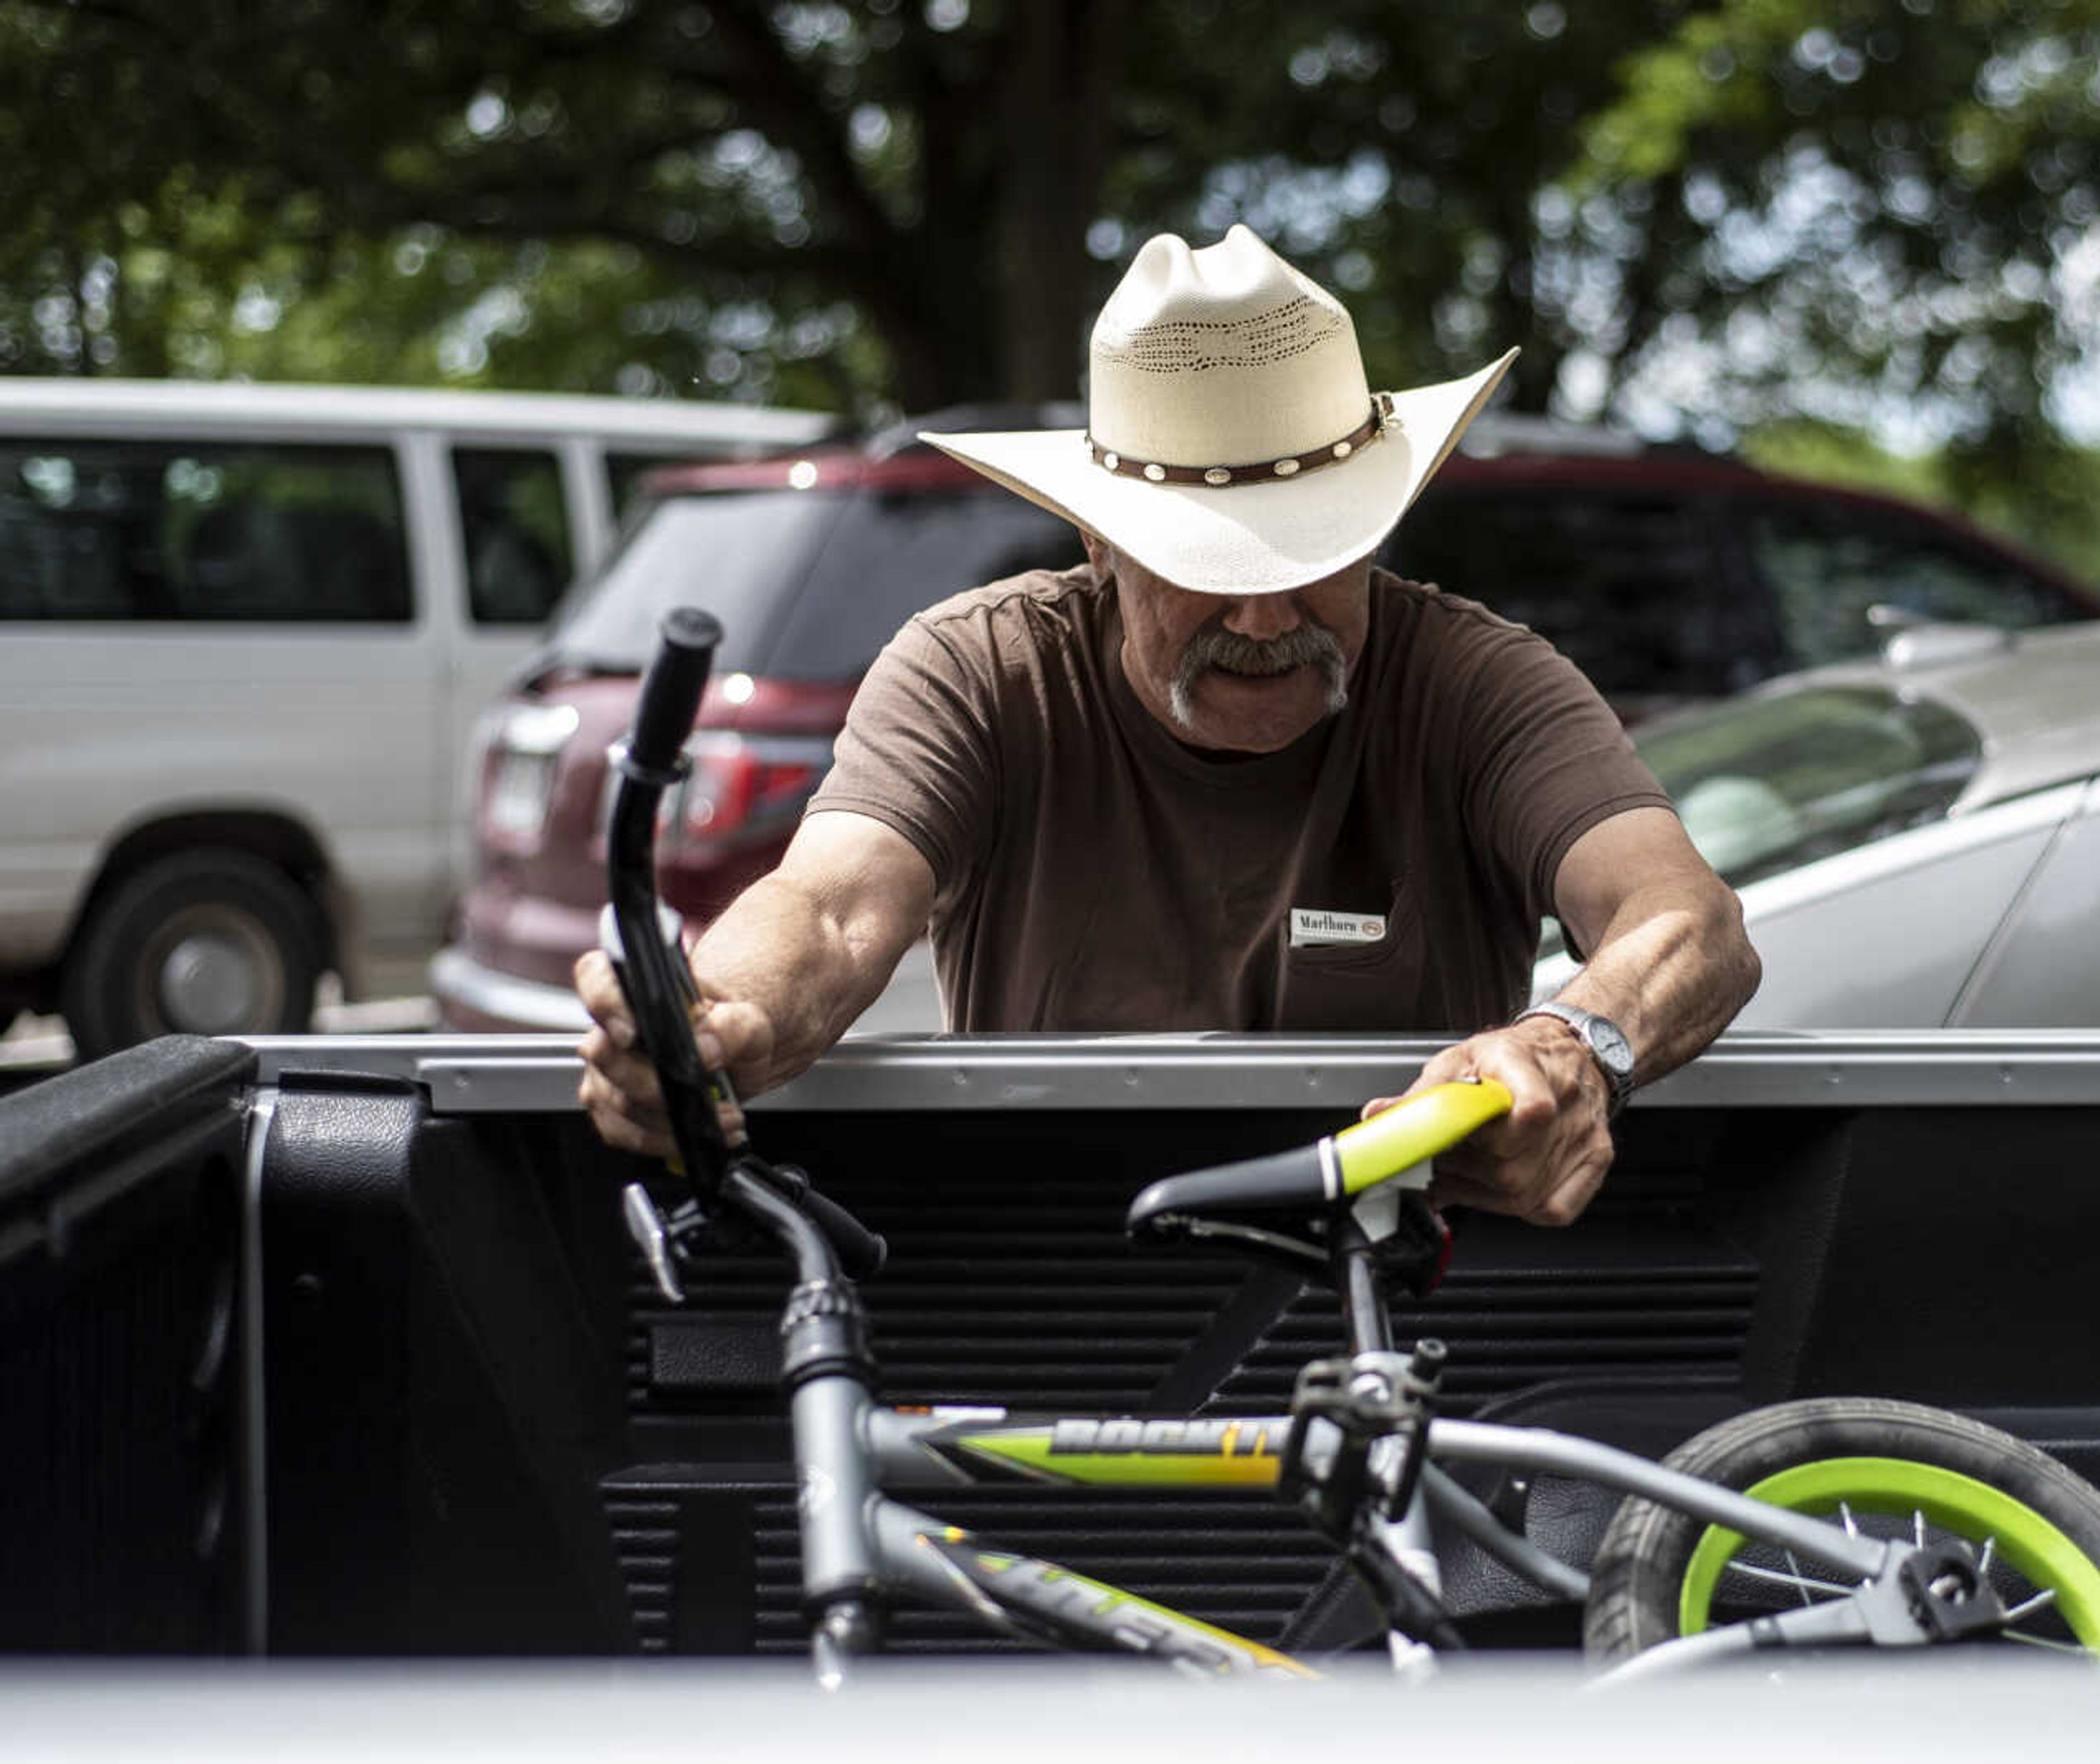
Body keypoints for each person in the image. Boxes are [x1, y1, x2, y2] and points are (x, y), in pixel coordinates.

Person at [576, 225, 1758, 1225]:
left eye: (1316, 557)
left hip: (1406, 1296)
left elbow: (1684, 918)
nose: (1264, 614)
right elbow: (831, 908)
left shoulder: (1479, 680)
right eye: (1205, 565)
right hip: (1046, 1264)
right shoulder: (981, 669)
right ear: (1095, 543)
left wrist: (1572, 1046)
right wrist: (718, 1019)